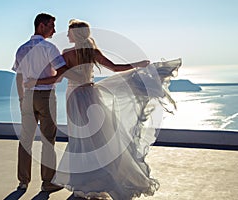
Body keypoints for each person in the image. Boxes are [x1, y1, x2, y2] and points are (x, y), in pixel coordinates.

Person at [25, 19, 181, 199]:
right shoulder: (92, 52)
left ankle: (86, 182)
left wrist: (35, 81)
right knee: (98, 138)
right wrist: (138, 64)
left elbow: (57, 78)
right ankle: (101, 178)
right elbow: (115, 68)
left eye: (69, 32)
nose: (66, 34)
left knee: (80, 139)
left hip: (74, 97)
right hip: (91, 95)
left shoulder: (66, 53)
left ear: (75, 34)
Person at [12, 13, 67, 192]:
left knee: (25, 139)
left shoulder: (21, 49)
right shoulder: (49, 48)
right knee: (48, 140)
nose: (54, 30)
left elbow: (19, 76)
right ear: (41, 26)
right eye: (52, 25)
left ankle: (23, 181)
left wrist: (22, 99)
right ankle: (48, 182)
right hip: (45, 98)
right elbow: (61, 74)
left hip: (27, 97)